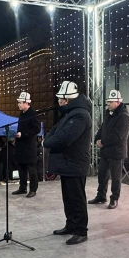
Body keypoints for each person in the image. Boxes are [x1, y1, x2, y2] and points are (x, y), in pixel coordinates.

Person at [43, 80, 92, 245]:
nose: (58, 101)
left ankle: (81, 231)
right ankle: (71, 225)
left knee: (77, 198)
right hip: (67, 163)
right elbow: (55, 131)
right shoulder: (70, 113)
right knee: (68, 198)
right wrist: (49, 138)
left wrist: (46, 142)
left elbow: (64, 138)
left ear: (68, 99)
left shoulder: (80, 115)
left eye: (61, 98)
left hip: (75, 163)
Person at [90, 89, 129, 209]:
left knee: (115, 178)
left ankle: (114, 199)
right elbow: (102, 129)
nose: (108, 104)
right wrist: (97, 139)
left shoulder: (124, 116)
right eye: (108, 102)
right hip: (106, 151)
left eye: (110, 102)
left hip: (116, 152)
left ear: (118, 102)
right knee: (102, 175)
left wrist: (103, 142)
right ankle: (101, 196)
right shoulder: (109, 114)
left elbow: (119, 136)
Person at [12, 91, 41, 198]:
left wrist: (23, 134)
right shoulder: (22, 114)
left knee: (31, 169)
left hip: (29, 146)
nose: (18, 104)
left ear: (26, 103)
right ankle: (22, 187)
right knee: (21, 168)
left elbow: (37, 129)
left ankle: (33, 189)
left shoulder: (33, 114)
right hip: (21, 145)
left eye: (20, 102)